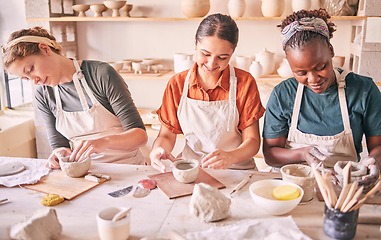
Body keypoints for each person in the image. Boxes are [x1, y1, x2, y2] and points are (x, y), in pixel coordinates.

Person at [2, 27, 148, 168]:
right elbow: (59, 144)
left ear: (45, 49)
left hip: (128, 168)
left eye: (30, 69)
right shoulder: (43, 95)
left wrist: (104, 142)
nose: (34, 81)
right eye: (26, 78)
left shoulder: (101, 74)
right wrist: (59, 153)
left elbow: (140, 136)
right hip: (84, 174)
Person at [262, 9, 381, 174]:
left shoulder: (364, 91)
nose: (313, 79)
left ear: (331, 50)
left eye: (321, 67)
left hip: (343, 181)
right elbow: (270, 154)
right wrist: (302, 153)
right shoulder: (283, 95)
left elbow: (378, 147)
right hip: (293, 181)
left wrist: (373, 162)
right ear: (290, 65)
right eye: (301, 73)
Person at [150, 13, 265, 172]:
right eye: (205, 54)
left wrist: (231, 156)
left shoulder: (245, 83)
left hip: (237, 170)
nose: (212, 63)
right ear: (196, 44)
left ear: (232, 52)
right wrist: (158, 150)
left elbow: (252, 141)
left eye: (222, 57)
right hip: (192, 169)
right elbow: (166, 136)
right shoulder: (177, 84)